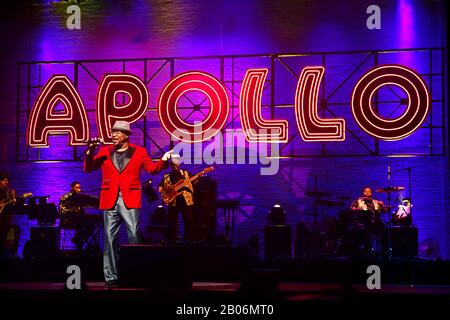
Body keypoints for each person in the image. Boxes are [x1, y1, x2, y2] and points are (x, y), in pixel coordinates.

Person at [84, 120, 172, 288]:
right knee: (109, 239)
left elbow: (152, 169)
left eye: (117, 132)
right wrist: (89, 152)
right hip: (109, 199)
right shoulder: (104, 151)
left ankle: (136, 273)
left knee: (133, 235)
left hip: (129, 198)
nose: (113, 135)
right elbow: (88, 168)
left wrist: (164, 160)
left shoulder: (139, 152)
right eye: (112, 132)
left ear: (126, 135)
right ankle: (111, 276)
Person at [158, 155, 195, 243]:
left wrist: (198, 178)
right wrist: (164, 192)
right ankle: (172, 241)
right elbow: (160, 187)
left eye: (177, 161)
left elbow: (195, 183)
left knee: (188, 220)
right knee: (172, 221)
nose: (175, 163)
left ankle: (188, 240)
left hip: (185, 200)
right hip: (173, 200)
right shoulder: (167, 176)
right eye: (174, 161)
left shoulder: (186, 173)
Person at [347, 186, 387, 256]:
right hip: (363, 222)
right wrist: (357, 209)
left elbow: (385, 211)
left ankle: (383, 250)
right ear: (363, 192)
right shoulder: (358, 200)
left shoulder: (375, 202)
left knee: (383, 228)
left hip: (375, 221)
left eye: (369, 191)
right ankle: (366, 249)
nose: (367, 193)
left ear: (371, 193)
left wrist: (382, 205)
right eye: (366, 191)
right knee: (365, 230)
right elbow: (352, 209)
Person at [58, 181, 93, 253]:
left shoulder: (80, 197)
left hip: (77, 219)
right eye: (77, 188)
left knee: (90, 225)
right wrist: (73, 210)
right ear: (72, 188)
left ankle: (78, 240)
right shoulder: (66, 197)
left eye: (79, 188)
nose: (79, 189)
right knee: (83, 224)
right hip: (67, 219)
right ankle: (78, 241)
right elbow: (61, 210)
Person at [0, 173, 16, 256]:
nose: (6, 181)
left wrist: (14, 201)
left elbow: (12, 205)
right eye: (4, 180)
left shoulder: (10, 192)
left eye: (7, 180)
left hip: (6, 219)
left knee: (4, 238)